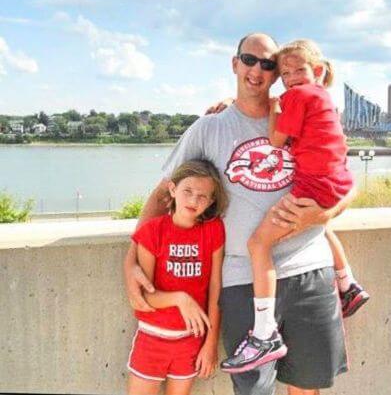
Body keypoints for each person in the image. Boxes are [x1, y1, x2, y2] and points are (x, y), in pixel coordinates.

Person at [124, 32, 354, 395]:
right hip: (242, 280)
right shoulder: (209, 127)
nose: (257, 70)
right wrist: (132, 261)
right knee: (253, 391)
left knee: (307, 388)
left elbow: (343, 183)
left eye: (268, 64)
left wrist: (322, 215)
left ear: (278, 73)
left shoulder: (303, 114)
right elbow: (161, 195)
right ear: (235, 63)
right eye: (249, 60)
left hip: (309, 269)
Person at [220, 39, 369, 373]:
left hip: (313, 188)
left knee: (259, 243)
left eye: (296, 70)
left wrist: (275, 106)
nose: (290, 78)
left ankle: (263, 334)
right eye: (284, 73)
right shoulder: (325, 98)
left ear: (316, 71)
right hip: (335, 181)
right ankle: (347, 283)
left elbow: (275, 140)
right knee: (319, 226)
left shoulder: (295, 96)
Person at [126, 160, 227, 395]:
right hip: (151, 339)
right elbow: (145, 297)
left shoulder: (214, 229)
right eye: (187, 191)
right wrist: (180, 299)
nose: (193, 201)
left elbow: (216, 290)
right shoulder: (152, 231)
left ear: (212, 201)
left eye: (202, 196)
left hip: (190, 342)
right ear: (173, 189)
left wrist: (210, 344)